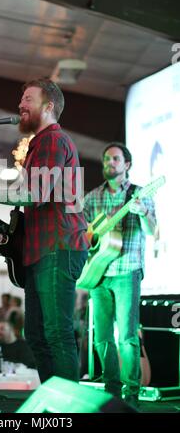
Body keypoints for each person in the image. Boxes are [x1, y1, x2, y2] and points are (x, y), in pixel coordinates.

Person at [0, 77, 89, 383]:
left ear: (49, 106)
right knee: (36, 335)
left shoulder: (53, 140)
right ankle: (50, 401)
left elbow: (37, 193)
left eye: (28, 99)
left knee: (56, 334)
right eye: (21, 100)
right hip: (40, 249)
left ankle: (65, 410)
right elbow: (25, 195)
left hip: (58, 246)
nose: (20, 105)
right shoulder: (36, 146)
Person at [83, 142, 156, 407]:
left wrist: (144, 212)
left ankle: (132, 393)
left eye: (114, 159)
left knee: (126, 336)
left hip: (127, 270)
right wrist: (91, 238)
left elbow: (152, 230)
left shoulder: (139, 194)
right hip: (98, 272)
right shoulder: (92, 198)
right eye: (106, 159)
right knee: (102, 337)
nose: (109, 163)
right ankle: (111, 389)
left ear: (127, 165)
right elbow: (83, 235)